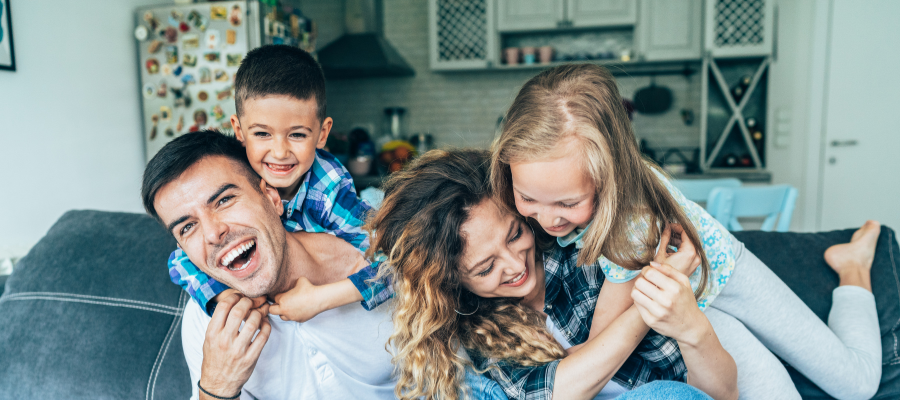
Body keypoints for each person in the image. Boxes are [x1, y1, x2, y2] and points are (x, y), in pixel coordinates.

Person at [490, 63, 881, 399]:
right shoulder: (538, 194)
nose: (547, 220)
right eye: (528, 199)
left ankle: (852, 269)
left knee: (856, 384)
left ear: (610, 177)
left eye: (568, 204)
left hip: (726, 279)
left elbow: (599, 348)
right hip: (694, 312)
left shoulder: (631, 225)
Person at [366, 149, 738, 400]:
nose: (515, 266)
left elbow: (715, 393)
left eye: (515, 234)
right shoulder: (477, 330)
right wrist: (648, 301)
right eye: (486, 268)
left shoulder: (591, 257)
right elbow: (558, 393)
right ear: (453, 282)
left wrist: (670, 306)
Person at [141, 130, 397, 399]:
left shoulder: (375, 265)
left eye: (224, 200)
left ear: (273, 198)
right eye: (188, 227)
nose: (212, 233)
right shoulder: (207, 324)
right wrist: (216, 387)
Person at [166, 45, 379, 318]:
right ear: (239, 131)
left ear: (322, 134)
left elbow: (397, 265)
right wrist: (223, 295)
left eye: (298, 135)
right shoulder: (233, 176)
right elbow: (181, 260)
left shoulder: (329, 192)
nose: (279, 152)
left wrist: (320, 299)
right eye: (262, 134)